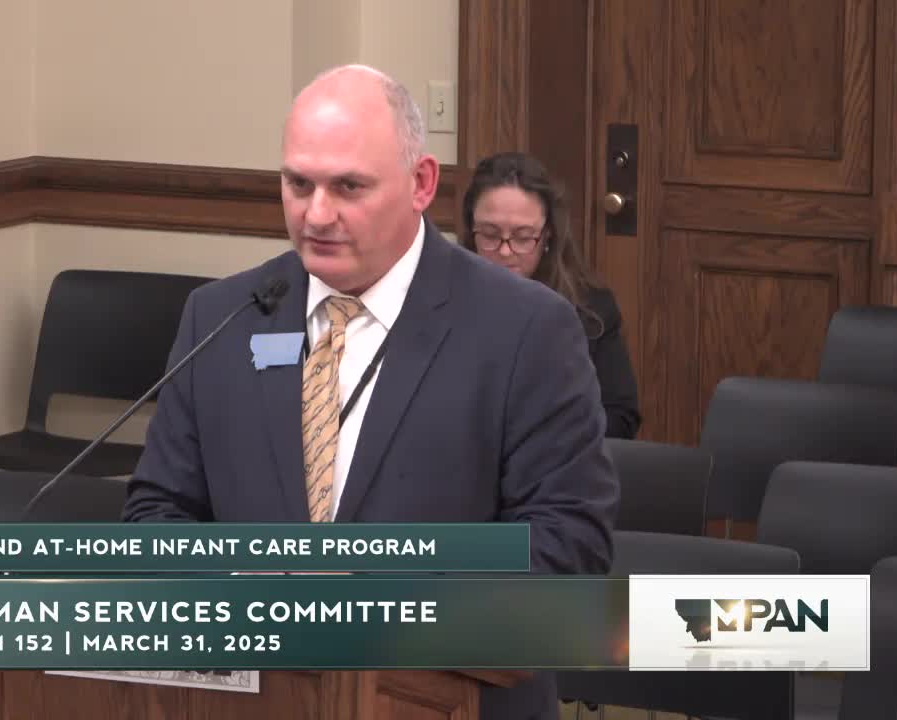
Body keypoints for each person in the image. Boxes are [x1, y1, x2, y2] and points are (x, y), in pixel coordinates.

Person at [123, 65, 618, 720]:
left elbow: (568, 545)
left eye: (348, 187)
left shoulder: (526, 329)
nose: (316, 214)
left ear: (422, 184)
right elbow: (158, 511)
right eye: (298, 184)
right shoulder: (221, 317)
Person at [461, 152, 641, 439]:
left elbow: (621, 418)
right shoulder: (440, 299)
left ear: (547, 237)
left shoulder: (591, 308)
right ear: (471, 233)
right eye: (490, 235)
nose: (505, 251)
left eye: (523, 237)